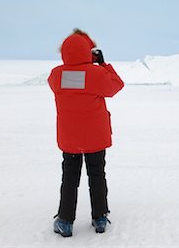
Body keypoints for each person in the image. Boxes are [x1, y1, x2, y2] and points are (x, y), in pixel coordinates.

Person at [48, 28, 124, 237]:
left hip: (70, 137)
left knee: (70, 177)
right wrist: (102, 64)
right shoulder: (97, 74)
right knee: (97, 175)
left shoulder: (56, 76)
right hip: (95, 137)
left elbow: (70, 79)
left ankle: (65, 221)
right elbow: (116, 86)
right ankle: (100, 218)